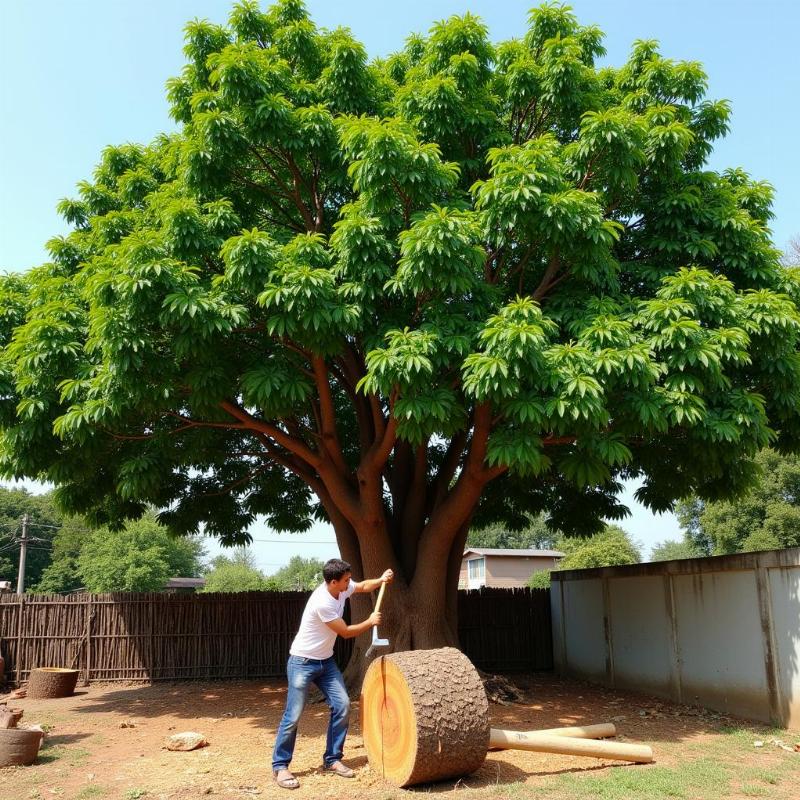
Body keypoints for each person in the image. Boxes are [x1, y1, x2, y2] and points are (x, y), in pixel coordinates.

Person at [272, 558, 393, 790]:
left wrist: (381, 579)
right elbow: (346, 632)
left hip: (325, 662)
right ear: (333, 581)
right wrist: (369, 622)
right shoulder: (322, 603)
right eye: (346, 580)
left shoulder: (342, 588)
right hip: (302, 662)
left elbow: (364, 586)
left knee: (343, 705)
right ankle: (280, 766)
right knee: (293, 716)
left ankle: (332, 759)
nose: (350, 583)